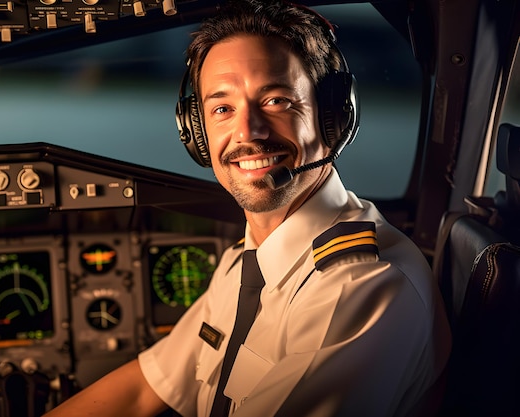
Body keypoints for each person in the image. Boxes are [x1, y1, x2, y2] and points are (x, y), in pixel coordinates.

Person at [43, 1, 451, 416]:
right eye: (222, 109)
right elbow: (141, 391)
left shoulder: (361, 286)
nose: (247, 132)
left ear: (334, 118)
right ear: (197, 133)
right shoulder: (246, 262)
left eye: (275, 101)